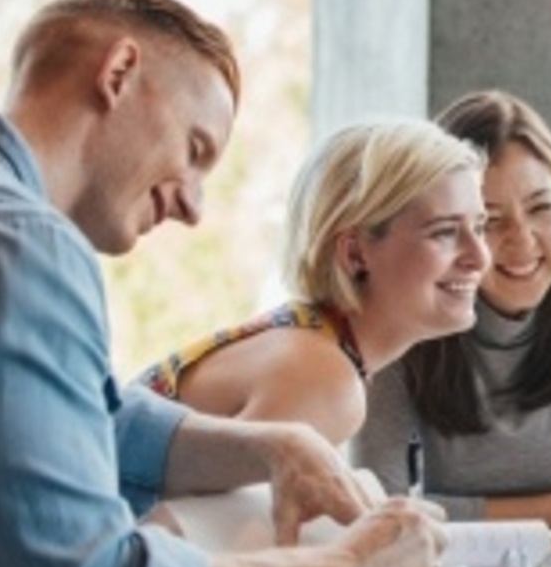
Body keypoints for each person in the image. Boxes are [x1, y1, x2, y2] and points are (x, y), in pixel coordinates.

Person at [0, 0, 444, 567]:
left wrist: (275, 443)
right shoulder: (26, 246)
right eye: (195, 150)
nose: (193, 207)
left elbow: (71, 420)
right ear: (119, 72)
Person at [352, 89, 551, 528]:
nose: (522, 240)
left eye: (541, 208)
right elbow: (380, 511)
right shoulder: (401, 317)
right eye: (490, 220)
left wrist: (456, 511)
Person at [134, 119, 490, 446]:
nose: (480, 257)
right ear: (354, 254)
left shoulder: (313, 343)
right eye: (444, 232)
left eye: (479, 228)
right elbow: (177, 515)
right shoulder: (324, 380)